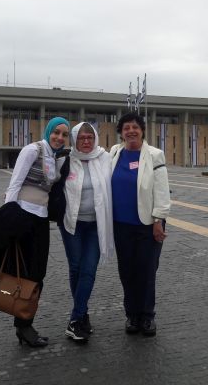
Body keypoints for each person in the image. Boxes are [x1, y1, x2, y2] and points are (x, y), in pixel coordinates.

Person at [0, 116, 69, 347]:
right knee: (23, 273)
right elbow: (15, 183)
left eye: (64, 134)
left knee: (38, 274)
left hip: (41, 219)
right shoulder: (32, 150)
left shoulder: (56, 157)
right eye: (56, 132)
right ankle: (24, 327)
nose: (59, 137)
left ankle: (25, 323)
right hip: (23, 216)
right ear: (48, 131)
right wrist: (8, 216)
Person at [110, 112, 170, 337]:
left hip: (148, 224)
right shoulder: (114, 153)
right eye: (126, 128)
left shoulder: (154, 155)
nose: (131, 131)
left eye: (135, 127)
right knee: (126, 271)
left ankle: (147, 316)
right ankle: (132, 315)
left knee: (146, 271)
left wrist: (158, 220)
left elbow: (161, 191)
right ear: (121, 132)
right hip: (121, 225)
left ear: (142, 130)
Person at [59, 122, 114, 342]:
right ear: (74, 139)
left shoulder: (105, 158)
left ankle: (75, 318)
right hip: (71, 224)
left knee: (88, 269)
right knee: (76, 268)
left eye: (90, 137)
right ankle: (82, 315)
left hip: (95, 225)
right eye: (81, 137)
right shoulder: (65, 160)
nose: (86, 141)